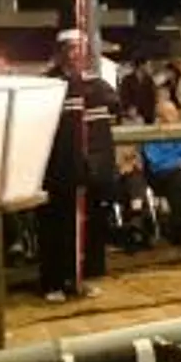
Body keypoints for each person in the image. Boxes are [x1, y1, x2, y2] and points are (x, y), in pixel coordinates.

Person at [38, 28, 121, 303]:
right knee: (56, 226)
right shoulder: (47, 85)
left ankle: (78, 279)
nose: (76, 54)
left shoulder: (94, 84)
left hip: (85, 170)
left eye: (81, 48)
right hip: (57, 169)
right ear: (61, 52)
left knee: (83, 227)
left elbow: (113, 104)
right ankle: (53, 282)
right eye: (71, 48)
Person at [142, 98, 181, 246]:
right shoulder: (152, 135)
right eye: (170, 113)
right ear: (160, 117)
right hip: (161, 176)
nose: (176, 115)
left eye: (175, 112)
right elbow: (157, 162)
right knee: (177, 177)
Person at [119, 57, 158, 124]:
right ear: (141, 65)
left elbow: (152, 98)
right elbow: (123, 97)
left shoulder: (149, 81)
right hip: (132, 117)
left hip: (148, 116)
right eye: (148, 64)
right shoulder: (127, 80)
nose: (150, 67)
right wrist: (129, 108)